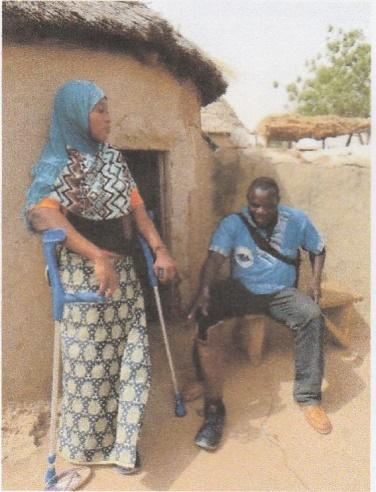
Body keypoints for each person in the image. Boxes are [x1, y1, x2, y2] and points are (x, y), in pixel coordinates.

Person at [26, 80, 177, 474]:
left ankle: (125, 444)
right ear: (77, 114)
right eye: (101, 111)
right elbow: (42, 214)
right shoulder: (55, 162)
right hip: (83, 278)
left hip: (125, 275)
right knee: (90, 365)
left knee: (134, 357)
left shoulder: (114, 158)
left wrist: (160, 249)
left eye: (109, 110)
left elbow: (140, 212)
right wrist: (96, 256)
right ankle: (88, 447)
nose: (109, 118)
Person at [187, 176, 331, 451]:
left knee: (311, 316)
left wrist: (315, 281)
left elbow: (318, 248)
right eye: (255, 206)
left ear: (277, 202)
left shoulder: (297, 220)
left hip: (280, 292)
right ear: (248, 202)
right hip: (241, 289)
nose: (261, 212)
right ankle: (204, 380)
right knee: (205, 313)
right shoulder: (233, 223)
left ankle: (309, 398)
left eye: (267, 206)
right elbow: (215, 258)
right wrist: (204, 289)